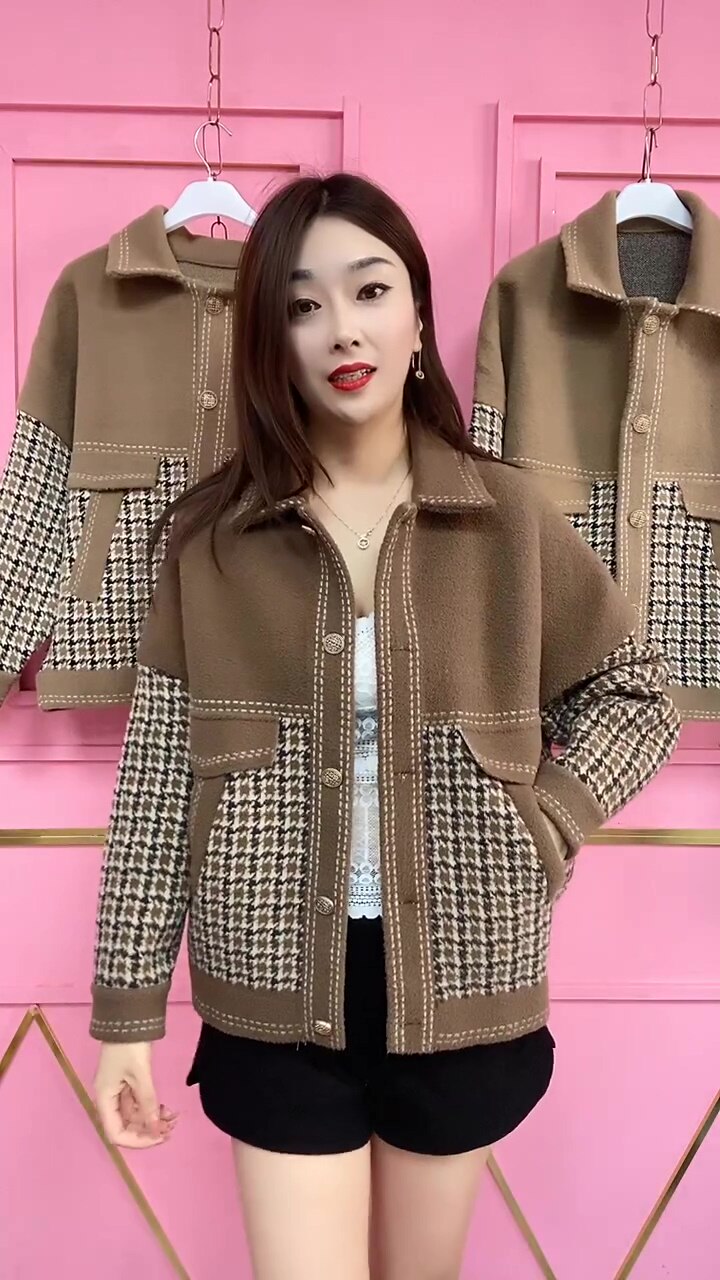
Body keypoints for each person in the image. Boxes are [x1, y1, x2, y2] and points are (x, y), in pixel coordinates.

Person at [90, 172, 680, 1280]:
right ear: (270, 343)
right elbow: (159, 777)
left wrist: (543, 820)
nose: (342, 329)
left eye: (369, 290)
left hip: (463, 976)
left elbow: (635, 694)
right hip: (271, 983)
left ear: (417, 315)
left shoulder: (507, 520)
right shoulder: (211, 540)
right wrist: (128, 1011)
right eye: (301, 305)